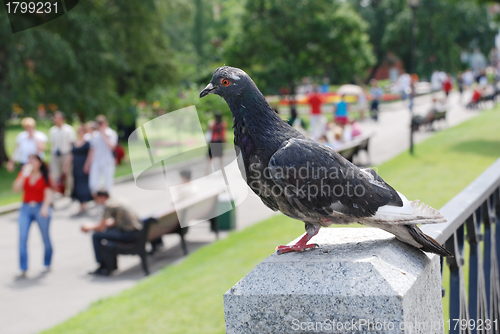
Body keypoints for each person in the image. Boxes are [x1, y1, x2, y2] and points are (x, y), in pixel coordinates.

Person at [82, 191, 142, 276]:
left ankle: (102, 266)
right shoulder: (119, 200)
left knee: (96, 236)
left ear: (102, 197)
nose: (96, 202)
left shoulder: (109, 205)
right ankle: (109, 265)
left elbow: (100, 227)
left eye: (96, 199)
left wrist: (89, 227)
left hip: (128, 234)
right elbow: (114, 222)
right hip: (137, 231)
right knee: (105, 234)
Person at [12, 154, 54, 277]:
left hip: (40, 207)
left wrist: (45, 208)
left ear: (40, 162)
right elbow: (15, 189)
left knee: (45, 237)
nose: (31, 162)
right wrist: (23, 175)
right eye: (29, 160)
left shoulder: (45, 176)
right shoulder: (24, 174)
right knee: (22, 237)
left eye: (34, 160)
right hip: (26, 208)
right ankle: (23, 267)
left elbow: (48, 193)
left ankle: (47, 263)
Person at [84, 115, 118, 194]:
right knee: (93, 183)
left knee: (108, 183)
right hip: (96, 161)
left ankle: (108, 199)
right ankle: (99, 198)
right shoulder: (95, 135)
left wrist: (104, 135)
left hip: (107, 161)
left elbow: (112, 146)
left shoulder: (111, 133)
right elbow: (92, 150)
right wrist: (88, 164)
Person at [65, 124, 93, 215]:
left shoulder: (87, 143)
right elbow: (71, 155)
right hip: (76, 166)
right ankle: (81, 202)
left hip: (83, 166)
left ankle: (84, 203)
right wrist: (66, 166)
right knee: (76, 184)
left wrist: (87, 165)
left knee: (83, 185)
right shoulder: (74, 143)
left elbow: (90, 154)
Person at [49, 111, 76, 195]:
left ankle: (70, 191)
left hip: (66, 154)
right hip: (55, 155)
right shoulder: (52, 130)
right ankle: (57, 190)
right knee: (54, 174)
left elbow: (72, 144)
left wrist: (70, 156)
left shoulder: (69, 130)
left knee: (68, 174)